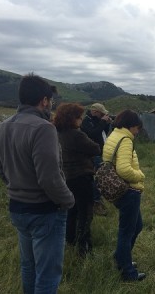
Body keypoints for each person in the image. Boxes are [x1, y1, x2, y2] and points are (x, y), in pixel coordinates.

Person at [0, 73, 75, 293]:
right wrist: (68, 200)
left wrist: (17, 187)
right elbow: (49, 178)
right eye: (50, 100)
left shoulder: (3, 126)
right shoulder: (43, 128)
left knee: (28, 266)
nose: (51, 105)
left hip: (17, 207)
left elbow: (1, 170)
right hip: (44, 211)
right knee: (48, 273)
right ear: (43, 100)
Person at [102, 109, 146, 281]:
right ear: (132, 126)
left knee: (136, 226)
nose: (137, 132)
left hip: (118, 189)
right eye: (137, 128)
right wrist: (140, 175)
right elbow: (123, 169)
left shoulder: (114, 134)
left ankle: (121, 257)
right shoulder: (126, 139)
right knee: (127, 232)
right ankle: (127, 272)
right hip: (128, 190)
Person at [54, 103, 101, 257]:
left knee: (71, 211)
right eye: (79, 117)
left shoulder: (58, 133)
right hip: (82, 177)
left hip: (66, 177)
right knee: (86, 213)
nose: (81, 120)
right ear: (71, 119)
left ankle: (71, 240)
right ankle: (84, 247)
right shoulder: (77, 135)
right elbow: (95, 148)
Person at [80, 102, 113, 216]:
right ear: (95, 112)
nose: (102, 115)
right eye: (101, 113)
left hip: (99, 152)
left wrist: (107, 124)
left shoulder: (96, 120)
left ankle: (97, 199)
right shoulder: (86, 121)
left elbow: (102, 133)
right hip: (92, 154)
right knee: (96, 178)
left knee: (99, 177)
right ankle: (95, 201)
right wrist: (103, 122)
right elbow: (93, 134)